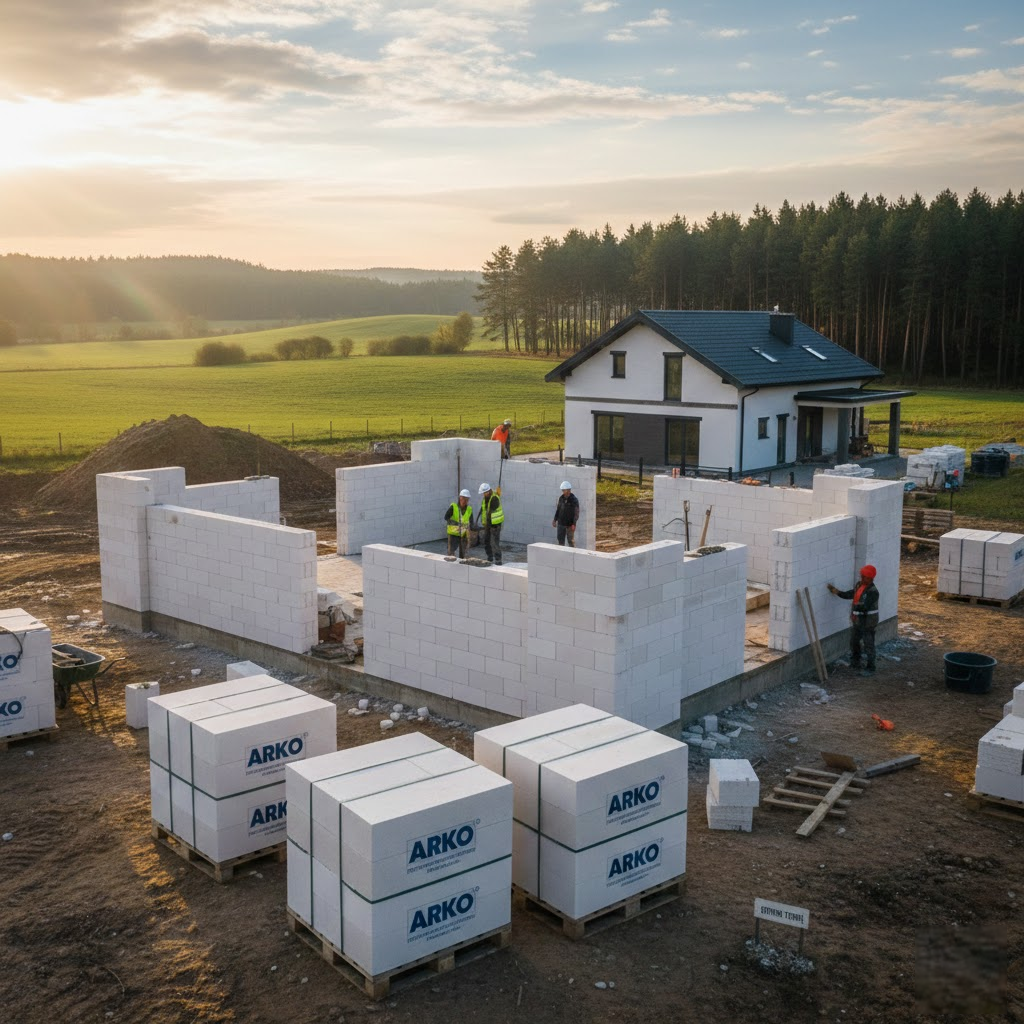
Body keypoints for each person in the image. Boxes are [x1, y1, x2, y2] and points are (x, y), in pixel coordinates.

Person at [827, 565, 879, 674]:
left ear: (870, 578)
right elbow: (851, 594)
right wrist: (838, 592)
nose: (862, 578)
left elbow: (864, 606)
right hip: (858, 621)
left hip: (868, 622)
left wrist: (856, 605)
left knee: (868, 644)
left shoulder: (873, 592)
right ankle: (855, 662)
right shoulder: (859, 585)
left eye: (864, 577)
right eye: (862, 576)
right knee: (854, 641)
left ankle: (871, 667)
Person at [477, 482, 504, 565]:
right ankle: (489, 558)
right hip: (488, 524)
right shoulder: (485, 498)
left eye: (484, 493)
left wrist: (487, 526)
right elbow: (483, 509)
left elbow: (489, 513)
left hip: (495, 525)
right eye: (483, 493)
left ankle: (498, 560)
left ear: (488, 491)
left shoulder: (494, 499)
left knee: (494, 543)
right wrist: (478, 520)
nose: (483, 494)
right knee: (486, 541)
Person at [444, 488, 473, 558]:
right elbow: (446, 517)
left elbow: (471, 522)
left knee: (463, 554)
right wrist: (455, 523)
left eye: (466, 499)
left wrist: (470, 532)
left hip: (463, 534)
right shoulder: (453, 507)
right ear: (460, 498)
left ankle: (462, 565)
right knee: (451, 553)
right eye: (463, 499)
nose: (464, 501)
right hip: (453, 534)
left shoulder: (469, 509)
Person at [552, 480, 580, 547]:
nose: (563, 492)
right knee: (560, 540)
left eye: (564, 490)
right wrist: (555, 520)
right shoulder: (561, 498)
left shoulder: (574, 500)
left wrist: (574, 523)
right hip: (561, 523)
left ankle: (573, 555)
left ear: (568, 490)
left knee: (570, 541)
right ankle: (561, 555)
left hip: (570, 525)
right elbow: (558, 510)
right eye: (562, 490)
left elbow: (576, 513)